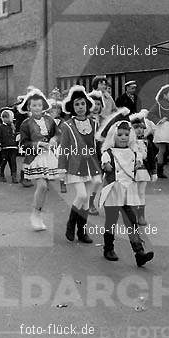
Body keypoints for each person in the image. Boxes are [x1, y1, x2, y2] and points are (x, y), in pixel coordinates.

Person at [97, 113, 154, 266]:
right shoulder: (107, 153)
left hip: (128, 192)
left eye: (126, 135)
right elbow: (105, 166)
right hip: (113, 191)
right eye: (120, 135)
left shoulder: (134, 153)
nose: (123, 137)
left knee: (131, 221)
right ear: (113, 136)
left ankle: (139, 252)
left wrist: (137, 165)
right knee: (111, 221)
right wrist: (106, 167)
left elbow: (138, 164)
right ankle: (108, 248)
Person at [58, 85, 101, 243]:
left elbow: (97, 147)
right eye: (77, 104)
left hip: (91, 165)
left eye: (83, 103)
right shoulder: (67, 125)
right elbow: (64, 148)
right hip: (75, 165)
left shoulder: (94, 124)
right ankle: (70, 225)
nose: (80, 107)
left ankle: (82, 232)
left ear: (87, 105)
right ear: (72, 107)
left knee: (87, 199)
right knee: (82, 195)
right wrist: (62, 168)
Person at [18, 90, 62, 231]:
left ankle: (38, 211)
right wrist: (38, 144)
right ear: (29, 107)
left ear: (43, 106)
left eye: (39, 105)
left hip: (48, 157)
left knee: (44, 187)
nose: (37, 108)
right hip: (34, 158)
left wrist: (54, 140)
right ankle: (36, 214)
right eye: (34, 105)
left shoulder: (49, 120)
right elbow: (24, 144)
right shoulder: (25, 124)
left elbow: (57, 134)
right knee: (42, 186)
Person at [129, 109, 158, 225]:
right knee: (132, 193)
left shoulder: (147, 143)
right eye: (136, 127)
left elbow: (152, 158)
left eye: (141, 127)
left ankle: (141, 216)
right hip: (131, 172)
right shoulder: (128, 143)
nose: (139, 130)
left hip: (144, 171)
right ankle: (131, 214)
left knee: (141, 193)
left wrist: (154, 172)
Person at [0, 108, 18, 184]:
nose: (5, 119)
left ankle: (14, 176)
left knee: (13, 162)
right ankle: (1, 174)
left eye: (7, 117)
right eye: (4, 117)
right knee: (4, 161)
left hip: (13, 147)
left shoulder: (12, 127)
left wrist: (17, 141)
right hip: (5, 148)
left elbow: (15, 136)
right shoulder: (1, 127)